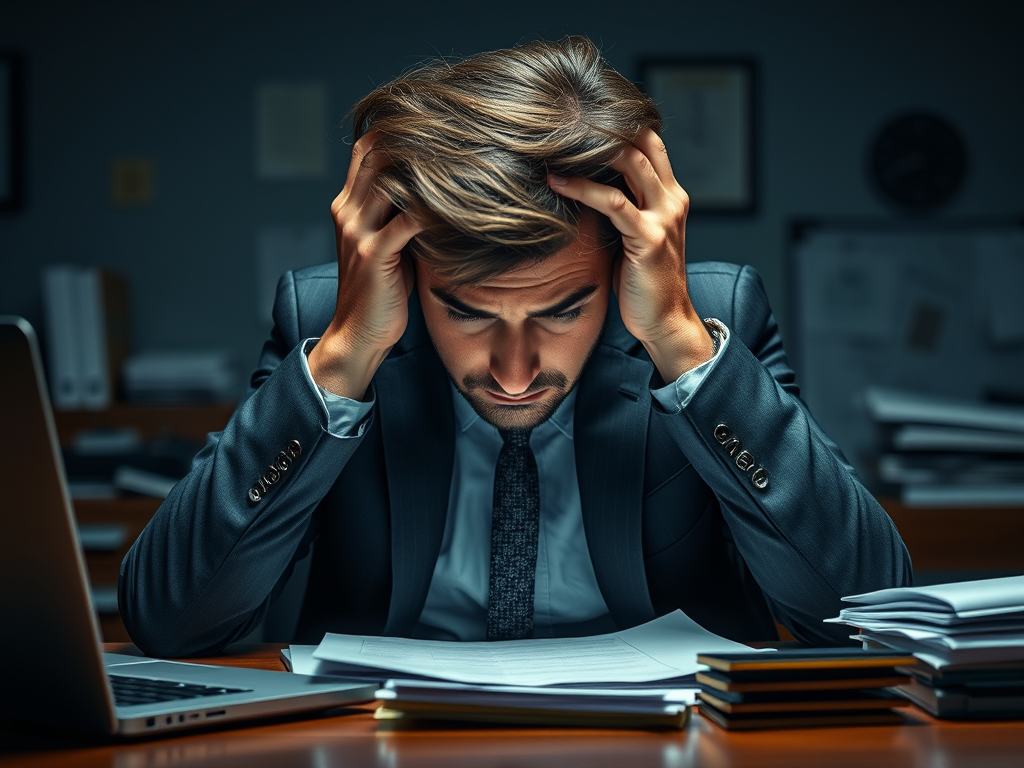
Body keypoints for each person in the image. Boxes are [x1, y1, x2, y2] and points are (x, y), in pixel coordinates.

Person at [119, 36, 911, 657]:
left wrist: (682, 346)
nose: (514, 373)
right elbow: (170, 623)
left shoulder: (702, 319)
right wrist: (342, 358)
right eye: (466, 313)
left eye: (562, 312)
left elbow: (866, 615)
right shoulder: (330, 325)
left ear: (622, 268)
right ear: (403, 273)